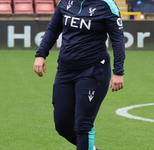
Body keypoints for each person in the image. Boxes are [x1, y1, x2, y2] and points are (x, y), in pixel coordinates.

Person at [33, 0, 125, 150]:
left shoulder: (107, 5)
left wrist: (118, 71)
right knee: (62, 125)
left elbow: (118, 38)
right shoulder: (65, 2)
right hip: (65, 70)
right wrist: (41, 54)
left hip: (93, 70)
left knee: (83, 126)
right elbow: (53, 29)